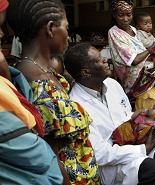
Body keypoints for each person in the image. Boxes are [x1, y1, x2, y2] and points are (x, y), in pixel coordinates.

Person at [66, 43, 155, 185]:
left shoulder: (112, 84)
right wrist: (142, 149)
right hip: (114, 158)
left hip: (135, 138)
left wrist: (143, 119)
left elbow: (125, 115)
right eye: (99, 59)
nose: (105, 60)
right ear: (86, 72)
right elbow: (98, 154)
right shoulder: (76, 105)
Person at [7, 0, 99, 184]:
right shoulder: (36, 83)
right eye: (66, 27)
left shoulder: (47, 73)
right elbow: (49, 154)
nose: (68, 34)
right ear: (50, 29)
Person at [108, 0, 155, 92]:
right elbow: (134, 60)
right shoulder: (114, 32)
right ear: (114, 15)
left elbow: (142, 50)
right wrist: (151, 49)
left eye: (129, 14)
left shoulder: (134, 30)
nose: (125, 19)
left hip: (146, 70)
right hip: (133, 80)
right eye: (121, 15)